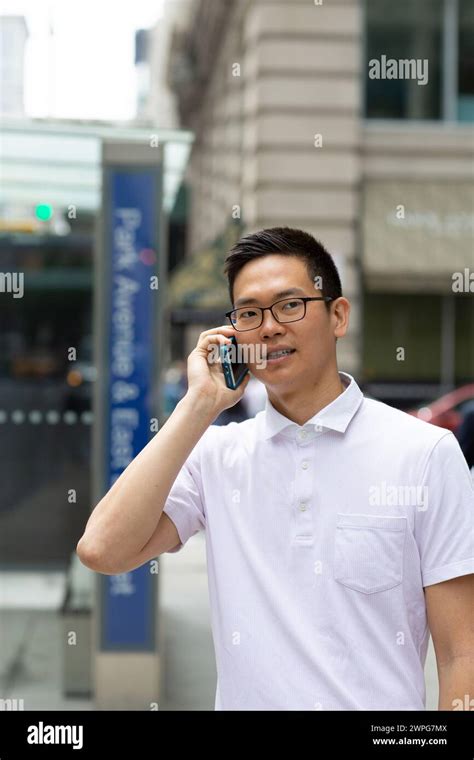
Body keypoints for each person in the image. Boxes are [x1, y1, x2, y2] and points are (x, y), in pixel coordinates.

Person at [77, 227, 474, 711]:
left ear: (338, 315)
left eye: (290, 305)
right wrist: (198, 404)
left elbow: (461, 654)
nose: (269, 327)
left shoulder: (426, 452)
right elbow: (103, 550)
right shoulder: (216, 456)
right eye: (249, 313)